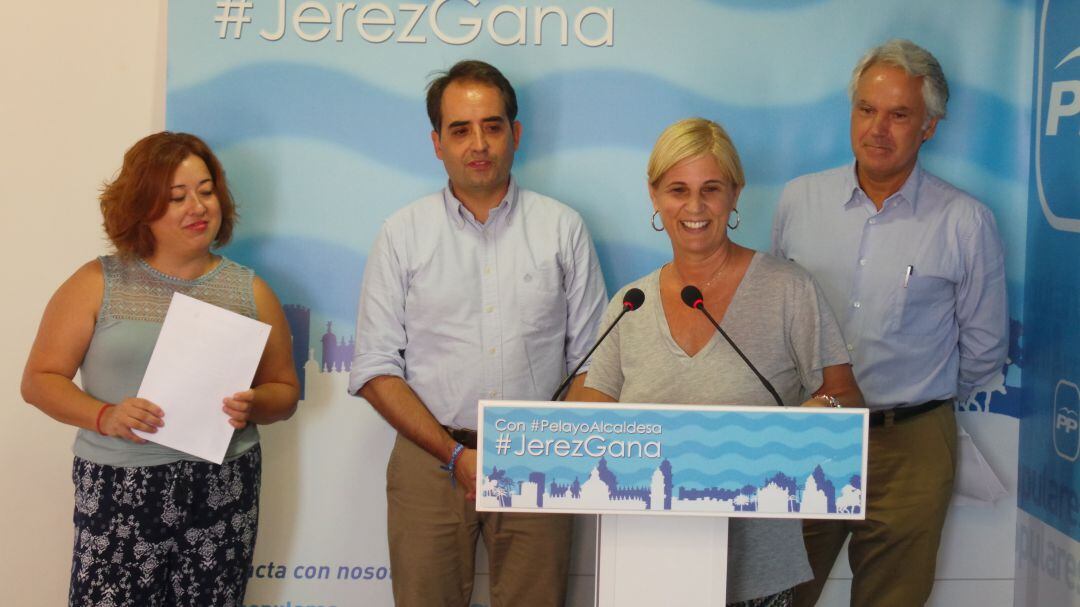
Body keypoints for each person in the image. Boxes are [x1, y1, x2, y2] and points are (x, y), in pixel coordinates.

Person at [349, 60, 607, 607]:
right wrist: (451, 454)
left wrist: (546, 445)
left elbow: (593, 360)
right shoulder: (402, 234)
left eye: (492, 126)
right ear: (437, 142)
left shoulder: (562, 228)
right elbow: (374, 367)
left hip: (539, 459)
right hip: (430, 458)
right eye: (460, 130)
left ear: (515, 134)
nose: (478, 144)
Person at [578, 117, 864, 607]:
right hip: (643, 565)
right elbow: (587, 413)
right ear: (653, 195)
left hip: (758, 572)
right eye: (677, 190)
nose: (694, 207)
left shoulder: (787, 289)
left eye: (711, 189)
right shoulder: (630, 303)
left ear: (735, 193)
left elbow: (845, 393)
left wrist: (816, 415)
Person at [771, 39, 1009, 607]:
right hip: (808, 434)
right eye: (866, 109)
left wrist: (917, 407)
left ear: (929, 126)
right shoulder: (799, 201)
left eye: (899, 114)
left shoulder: (965, 221)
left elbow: (984, 345)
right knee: (776, 595)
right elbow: (775, 316)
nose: (878, 129)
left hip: (910, 445)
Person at [21, 132, 300, 606]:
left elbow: (285, 391)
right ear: (141, 206)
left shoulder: (251, 291)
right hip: (120, 487)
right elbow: (39, 381)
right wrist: (104, 415)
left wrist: (257, 403)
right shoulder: (96, 282)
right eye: (177, 197)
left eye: (206, 191)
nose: (198, 206)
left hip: (223, 484)